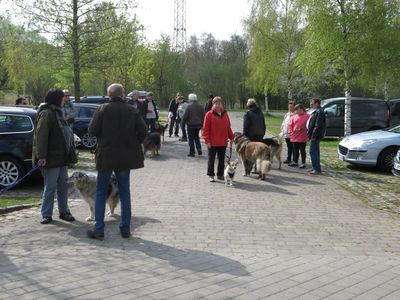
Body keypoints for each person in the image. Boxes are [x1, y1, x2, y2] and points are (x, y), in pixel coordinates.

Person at [87, 83, 147, 239]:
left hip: (106, 155)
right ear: (122, 94)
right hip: (125, 158)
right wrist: (133, 143)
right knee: (125, 192)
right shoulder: (132, 110)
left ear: (109, 96)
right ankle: (125, 229)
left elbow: (92, 130)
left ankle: (99, 229)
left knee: (100, 192)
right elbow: (143, 131)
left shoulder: (102, 109)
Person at [33, 88, 76, 224]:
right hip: (51, 157)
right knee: (50, 187)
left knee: (63, 186)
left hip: (62, 156)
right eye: (63, 97)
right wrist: (42, 156)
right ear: (57, 99)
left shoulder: (57, 112)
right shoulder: (46, 113)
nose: (65, 99)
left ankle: (64, 212)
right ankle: (46, 214)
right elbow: (41, 136)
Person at [202, 96, 234, 182]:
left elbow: (228, 127)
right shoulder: (209, 114)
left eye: (219, 103)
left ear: (222, 104)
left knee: (221, 160)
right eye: (216, 103)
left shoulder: (225, 114)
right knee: (211, 160)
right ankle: (211, 175)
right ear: (213, 104)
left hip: (223, 141)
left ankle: (220, 175)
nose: (218, 105)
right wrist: (207, 140)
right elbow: (205, 129)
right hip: (212, 142)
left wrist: (231, 137)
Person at [307, 98, 326, 175]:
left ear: (317, 103)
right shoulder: (317, 111)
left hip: (315, 135)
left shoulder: (319, 112)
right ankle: (315, 167)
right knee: (315, 152)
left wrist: (313, 135)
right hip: (314, 135)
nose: (311, 105)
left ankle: (317, 169)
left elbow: (318, 126)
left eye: (312, 104)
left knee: (313, 152)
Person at [288, 104, 310, 169]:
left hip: (303, 136)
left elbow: (309, 125)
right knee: (295, 150)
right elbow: (290, 125)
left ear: (301, 109)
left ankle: (303, 163)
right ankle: (295, 162)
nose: (296, 111)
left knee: (302, 150)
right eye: (296, 110)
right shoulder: (294, 117)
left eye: (297, 110)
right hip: (294, 137)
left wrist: (304, 129)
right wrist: (291, 132)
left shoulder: (308, 116)